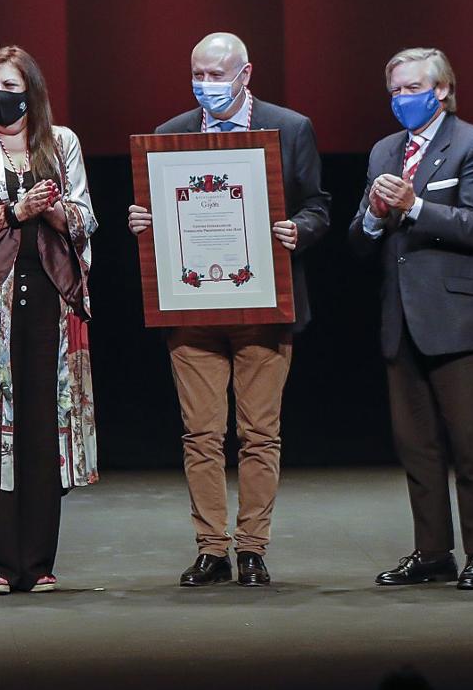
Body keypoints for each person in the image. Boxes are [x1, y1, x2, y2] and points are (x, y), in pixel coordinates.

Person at [127, 32, 330, 587]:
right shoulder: (169, 137)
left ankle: (254, 549)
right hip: (192, 312)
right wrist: (143, 223)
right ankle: (212, 548)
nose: (205, 86)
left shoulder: (290, 128)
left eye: (216, 75)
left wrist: (299, 229)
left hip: (265, 306)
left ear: (245, 75)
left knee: (260, 433)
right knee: (201, 434)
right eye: (197, 74)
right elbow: (155, 211)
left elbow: (319, 206)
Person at [0, 45, 98, 594]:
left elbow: (84, 217)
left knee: (38, 430)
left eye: (9, 84)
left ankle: (37, 562)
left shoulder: (62, 144)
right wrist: (13, 210)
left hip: (48, 307)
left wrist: (52, 209)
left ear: (31, 88)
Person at [348, 47, 473, 591]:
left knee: (469, 443)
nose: (401, 100)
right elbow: (360, 241)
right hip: (401, 318)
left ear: (440, 89)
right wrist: (372, 215)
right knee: (416, 446)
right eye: (394, 91)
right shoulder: (384, 151)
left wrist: (415, 206)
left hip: (458, 317)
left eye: (411, 89)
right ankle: (433, 550)